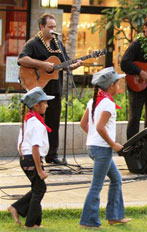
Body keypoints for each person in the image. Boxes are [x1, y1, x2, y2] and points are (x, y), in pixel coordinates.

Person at [17, 13, 82, 164]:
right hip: (38, 91)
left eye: (54, 27)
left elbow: (64, 64)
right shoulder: (33, 43)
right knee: (37, 122)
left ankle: (52, 155)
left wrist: (75, 65)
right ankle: (34, 154)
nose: (53, 30)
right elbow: (22, 58)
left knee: (54, 122)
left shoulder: (57, 44)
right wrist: (42, 65)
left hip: (54, 89)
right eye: (50, 27)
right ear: (41, 27)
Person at [79, 67, 131, 229]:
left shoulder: (94, 100)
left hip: (94, 147)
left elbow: (83, 124)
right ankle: (88, 221)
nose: (119, 85)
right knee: (96, 186)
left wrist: (93, 137)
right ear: (110, 86)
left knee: (116, 179)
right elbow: (101, 127)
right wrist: (113, 144)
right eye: (117, 83)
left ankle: (115, 216)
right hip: (102, 149)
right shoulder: (107, 103)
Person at [8, 87, 55, 229]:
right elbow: (35, 148)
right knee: (40, 189)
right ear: (36, 105)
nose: (47, 105)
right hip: (31, 159)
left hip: (27, 159)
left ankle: (25, 214)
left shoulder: (30, 120)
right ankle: (30, 223)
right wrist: (39, 170)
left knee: (38, 188)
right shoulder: (35, 123)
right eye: (45, 102)